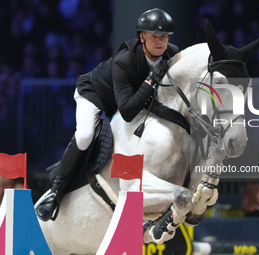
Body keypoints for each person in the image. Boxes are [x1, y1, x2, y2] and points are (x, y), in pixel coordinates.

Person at [36, 8, 180, 221]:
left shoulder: (171, 53)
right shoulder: (125, 59)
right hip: (94, 95)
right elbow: (128, 112)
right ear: (142, 36)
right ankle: (55, 193)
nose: (160, 42)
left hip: (126, 101)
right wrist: (151, 81)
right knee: (85, 136)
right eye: (154, 36)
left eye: (164, 37)